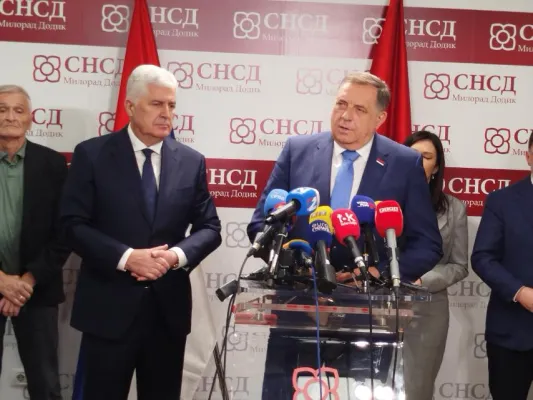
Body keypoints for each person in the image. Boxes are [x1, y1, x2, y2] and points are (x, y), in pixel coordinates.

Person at [247, 72, 443, 399]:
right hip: (298, 308)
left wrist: (377, 273)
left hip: (369, 316)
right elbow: (261, 225)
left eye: (359, 109)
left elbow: (427, 244)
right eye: (341, 104)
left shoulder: (404, 163)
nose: (345, 115)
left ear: (380, 118)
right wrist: (297, 269)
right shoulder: (298, 150)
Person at [59, 64, 222, 400]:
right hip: (108, 309)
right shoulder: (92, 154)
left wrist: (174, 256)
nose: (167, 114)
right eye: (156, 104)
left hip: (167, 312)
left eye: (172, 105)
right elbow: (72, 225)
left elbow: (210, 227)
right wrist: (127, 257)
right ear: (130, 106)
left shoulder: (191, 161)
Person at [0, 84, 70, 400]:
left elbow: (64, 232)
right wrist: (2, 281)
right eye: (2, 109)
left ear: (30, 118)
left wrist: (26, 281)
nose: (10, 117)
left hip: (37, 289)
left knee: (45, 385)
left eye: (18, 110)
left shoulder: (52, 164)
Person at [402, 130, 469, 400]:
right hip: (379, 308)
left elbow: (459, 265)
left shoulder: (454, 209)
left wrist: (421, 281)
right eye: (412, 156)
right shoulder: (381, 201)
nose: (419, 162)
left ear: (437, 166)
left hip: (427, 311)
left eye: (427, 157)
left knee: (417, 390)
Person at [471, 132, 533, 400]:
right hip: (512, 331)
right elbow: (482, 257)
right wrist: (520, 292)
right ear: (528, 156)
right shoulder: (502, 201)